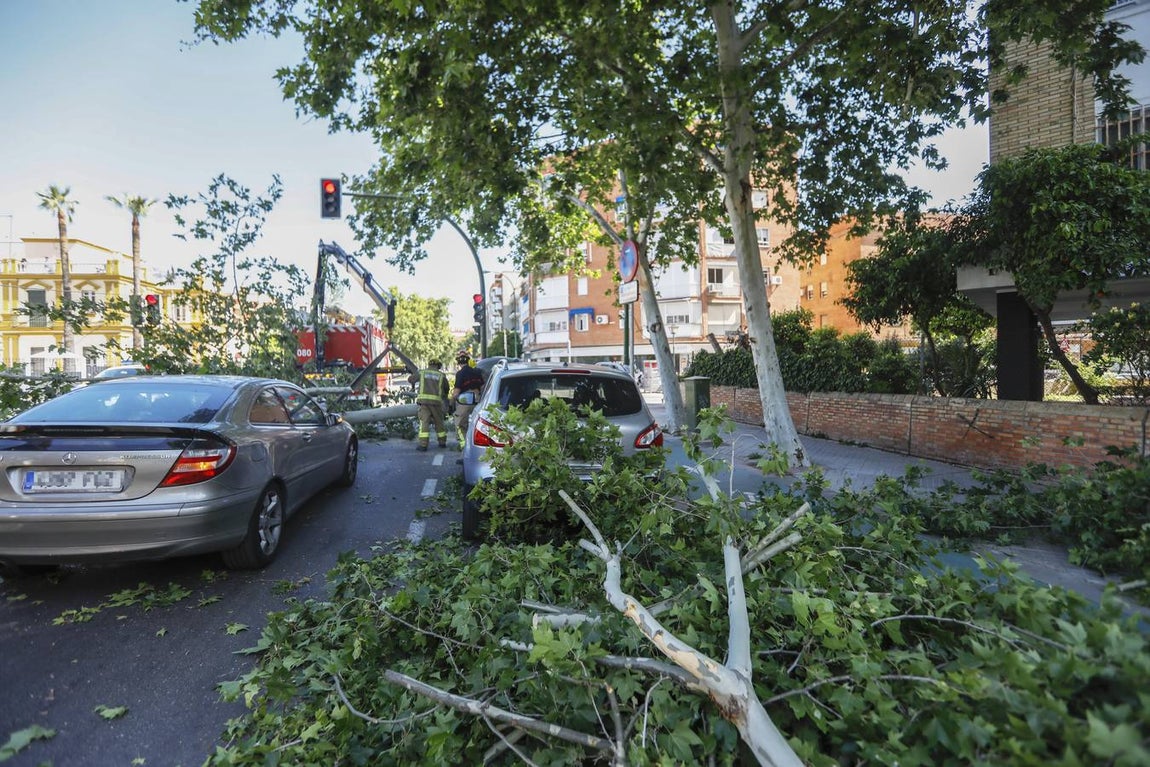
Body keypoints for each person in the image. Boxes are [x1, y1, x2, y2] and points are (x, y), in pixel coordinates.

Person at [413, 359, 449, 451]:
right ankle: (442, 442)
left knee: (424, 422)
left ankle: (423, 445)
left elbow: (411, 379)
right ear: (439, 366)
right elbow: (446, 389)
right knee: (439, 422)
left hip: (424, 403)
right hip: (436, 403)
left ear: (429, 364)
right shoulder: (441, 375)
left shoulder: (422, 372)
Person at [451, 350, 485, 445]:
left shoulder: (460, 373)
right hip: (478, 400)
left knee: (459, 424)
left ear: (458, 362)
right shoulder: (477, 372)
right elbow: (483, 387)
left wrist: (451, 402)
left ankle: (464, 446)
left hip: (465, 401)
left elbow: (456, 392)